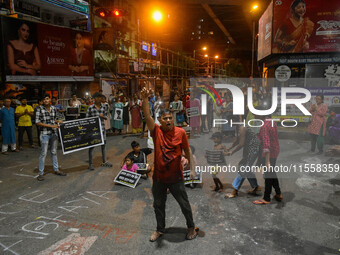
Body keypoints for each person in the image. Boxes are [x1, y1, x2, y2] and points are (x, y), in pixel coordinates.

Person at [141, 87, 198, 242]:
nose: (167, 120)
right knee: (158, 205)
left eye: (170, 118)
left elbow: (187, 152)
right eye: (164, 118)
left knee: (184, 204)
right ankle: (160, 230)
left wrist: (192, 169)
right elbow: (147, 116)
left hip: (176, 177)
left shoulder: (181, 133)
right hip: (159, 177)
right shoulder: (156, 131)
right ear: (160, 120)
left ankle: (191, 227)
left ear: (173, 119)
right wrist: (145, 99)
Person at [253, 104, 282, 205]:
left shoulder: (264, 126)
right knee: (272, 173)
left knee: (268, 175)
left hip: (270, 153)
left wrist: (267, 161)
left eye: (255, 115)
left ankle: (266, 198)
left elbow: (266, 144)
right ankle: (278, 193)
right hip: (275, 149)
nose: (254, 117)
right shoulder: (271, 121)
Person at [225, 123, 261, 198]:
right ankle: (256, 186)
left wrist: (232, 152)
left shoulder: (242, 127)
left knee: (243, 168)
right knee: (246, 168)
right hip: (248, 148)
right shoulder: (237, 127)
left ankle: (235, 191)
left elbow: (241, 144)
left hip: (253, 148)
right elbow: (237, 139)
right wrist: (230, 147)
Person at [35, 95, 66, 181]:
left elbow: (54, 119)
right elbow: (37, 122)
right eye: (44, 99)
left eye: (47, 98)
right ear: (42, 101)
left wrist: (58, 121)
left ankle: (56, 170)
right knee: (43, 153)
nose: (46, 100)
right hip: (44, 134)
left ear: (50, 100)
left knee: (54, 152)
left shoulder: (54, 108)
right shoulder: (39, 109)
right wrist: (51, 125)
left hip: (53, 133)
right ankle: (41, 173)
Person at [86, 92, 112, 170]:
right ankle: (91, 164)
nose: (100, 99)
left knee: (103, 145)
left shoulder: (104, 107)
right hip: (93, 130)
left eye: (100, 97)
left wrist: (102, 116)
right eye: (98, 97)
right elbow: (87, 119)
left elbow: (106, 117)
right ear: (95, 99)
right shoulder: (90, 108)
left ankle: (104, 161)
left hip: (102, 129)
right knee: (92, 147)